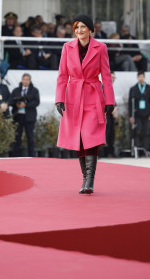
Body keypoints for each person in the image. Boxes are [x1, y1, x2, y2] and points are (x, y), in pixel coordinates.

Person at [55, 14, 115, 194]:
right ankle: (85, 179)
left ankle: (90, 180)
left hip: (92, 95)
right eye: (77, 27)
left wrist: (109, 100)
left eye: (83, 27)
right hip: (73, 95)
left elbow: (106, 75)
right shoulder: (67, 47)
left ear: (90, 29)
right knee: (78, 139)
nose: (80, 30)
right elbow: (62, 75)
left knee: (90, 137)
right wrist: (59, 98)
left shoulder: (101, 47)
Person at [9, 73, 40, 157]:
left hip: (29, 118)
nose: (25, 81)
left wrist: (26, 105)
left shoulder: (34, 91)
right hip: (18, 117)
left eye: (27, 80)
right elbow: (10, 101)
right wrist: (17, 104)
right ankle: (16, 156)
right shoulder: (16, 90)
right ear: (22, 80)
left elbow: (36, 102)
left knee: (30, 137)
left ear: (30, 81)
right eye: (24, 79)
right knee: (16, 138)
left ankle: (32, 155)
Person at [129, 71, 150, 151]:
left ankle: (145, 149)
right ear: (137, 77)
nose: (141, 78)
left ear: (144, 77)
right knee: (136, 131)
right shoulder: (133, 89)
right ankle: (136, 149)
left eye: (142, 76)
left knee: (146, 132)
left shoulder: (149, 88)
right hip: (136, 114)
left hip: (147, 114)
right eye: (139, 77)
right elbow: (130, 103)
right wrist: (131, 115)